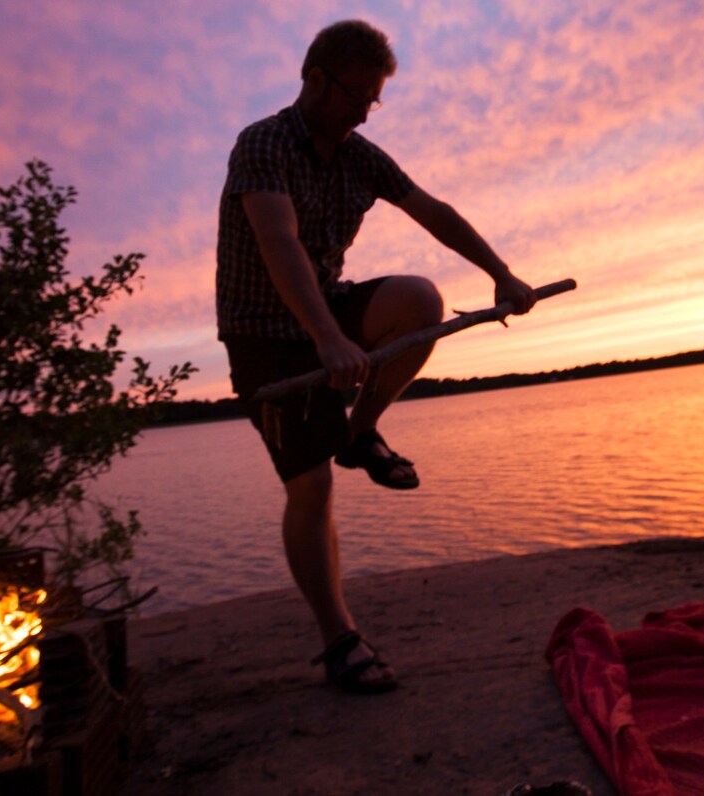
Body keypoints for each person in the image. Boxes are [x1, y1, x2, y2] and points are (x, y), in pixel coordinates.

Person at [215, 19, 538, 694]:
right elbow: (280, 244)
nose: (366, 110)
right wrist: (327, 339)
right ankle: (339, 640)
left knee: (419, 301)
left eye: (375, 98)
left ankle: (360, 433)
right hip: (265, 334)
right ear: (314, 79)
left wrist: (500, 273)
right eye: (358, 95)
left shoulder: (362, 156)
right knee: (311, 487)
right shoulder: (263, 144)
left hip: (324, 307)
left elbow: (434, 211)